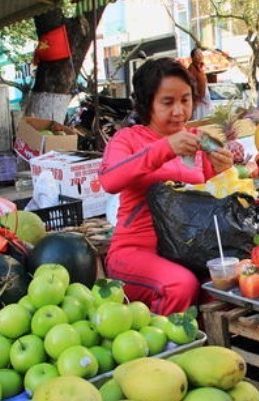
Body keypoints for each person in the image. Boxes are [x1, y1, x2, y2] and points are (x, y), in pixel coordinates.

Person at [99, 58, 233, 315]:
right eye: (167, 102)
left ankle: (213, 349)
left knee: (222, 283)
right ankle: (166, 351)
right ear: (148, 103)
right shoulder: (128, 138)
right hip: (135, 253)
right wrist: (165, 148)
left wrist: (223, 170)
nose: (179, 111)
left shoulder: (198, 142)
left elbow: (210, 200)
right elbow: (109, 180)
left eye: (185, 100)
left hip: (188, 251)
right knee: (180, 285)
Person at [187, 48, 212, 119]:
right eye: (199, 54)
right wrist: (197, 96)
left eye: (201, 54)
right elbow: (191, 85)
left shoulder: (200, 68)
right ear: (193, 57)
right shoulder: (191, 70)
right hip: (198, 102)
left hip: (204, 101)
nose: (201, 56)